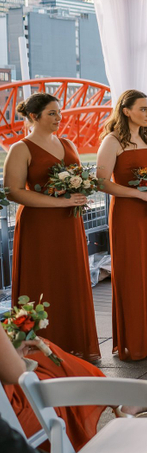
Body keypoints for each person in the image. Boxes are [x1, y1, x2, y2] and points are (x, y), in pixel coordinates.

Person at [3, 92, 99, 362]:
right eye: (52, 114)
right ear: (34, 117)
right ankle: (40, 350)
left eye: (60, 112)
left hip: (70, 224)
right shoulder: (21, 148)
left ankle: (73, 344)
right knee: (43, 278)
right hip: (40, 227)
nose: (59, 118)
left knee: (70, 279)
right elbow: (13, 192)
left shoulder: (68, 143)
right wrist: (58, 203)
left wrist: (81, 192)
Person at [0, 337, 129, 453]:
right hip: (13, 414)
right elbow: (16, 374)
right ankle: (116, 396)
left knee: (43, 355)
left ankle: (115, 396)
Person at [96, 89, 147, 361]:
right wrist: (140, 194)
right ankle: (134, 340)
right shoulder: (113, 141)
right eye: (143, 109)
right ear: (126, 110)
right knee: (132, 272)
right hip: (128, 214)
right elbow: (102, 182)